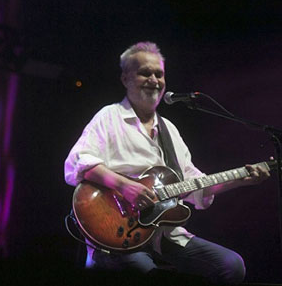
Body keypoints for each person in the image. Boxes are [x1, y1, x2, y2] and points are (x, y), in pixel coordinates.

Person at [64, 41, 270, 284]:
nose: (154, 79)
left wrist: (240, 180)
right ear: (126, 79)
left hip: (166, 236)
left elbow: (195, 184)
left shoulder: (169, 130)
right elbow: (77, 162)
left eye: (159, 74)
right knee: (147, 273)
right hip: (120, 238)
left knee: (231, 266)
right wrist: (124, 186)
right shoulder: (109, 117)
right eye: (145, 73)